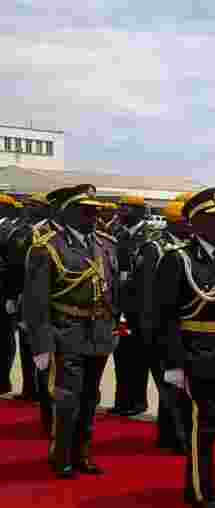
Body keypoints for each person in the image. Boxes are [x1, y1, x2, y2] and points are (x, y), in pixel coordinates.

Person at [155, 187, 215, 508]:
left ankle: (195, 483)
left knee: (210, 427)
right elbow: (163, 317)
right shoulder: (177, 258)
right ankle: (202, 493)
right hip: (194, 354)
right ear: (195, 223)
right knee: (201, 427)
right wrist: (173, 364)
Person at [23, 184, 119, 479]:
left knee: (91, 397)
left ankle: (83, 453)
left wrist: (115, 324)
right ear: (68, 213)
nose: (93, 216)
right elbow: (36, 300)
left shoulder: (106, 244)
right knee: (67, 398)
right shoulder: (48, 247)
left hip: (99, 332)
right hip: (66, 331)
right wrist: (40, 344)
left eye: (95, 211)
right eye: (86, 211)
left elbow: (113, 289)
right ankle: (61, 456)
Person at [136, 200, 193, 453]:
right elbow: (149, 294)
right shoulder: (156, 248)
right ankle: (175, 438)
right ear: (177, 222)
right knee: (169, 384)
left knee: (180, 386)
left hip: (185, 327)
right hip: (161, 327)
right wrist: (153, 330)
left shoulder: (187, 247)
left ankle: (174, 434)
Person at [5, 193, 52, 412]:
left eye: (34, 205)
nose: (29, 208)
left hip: (43, 299)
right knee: (25, 342)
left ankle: (44, 390)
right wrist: (12, 296)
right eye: (28, 205)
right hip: (23, 296)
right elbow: (13, 267)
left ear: (45, 208)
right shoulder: (22, 230)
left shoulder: (50, 232)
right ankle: (29, 388)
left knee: (40, 345)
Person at [110, 195, 155, 417]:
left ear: (139, 211)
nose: (120, 211)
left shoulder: (149, 236)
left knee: (138, 357)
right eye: (120, 207)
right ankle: (122, 399)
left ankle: (137, 401)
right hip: (120, 306)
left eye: (126, 208)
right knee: (121, 354)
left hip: (140, 308)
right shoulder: (116, 234)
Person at [0, 194, 21, 395]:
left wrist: (11, 297)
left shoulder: (9, 231)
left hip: (3, 292)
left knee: (4, 338)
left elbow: (13, 266)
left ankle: (2, 381)